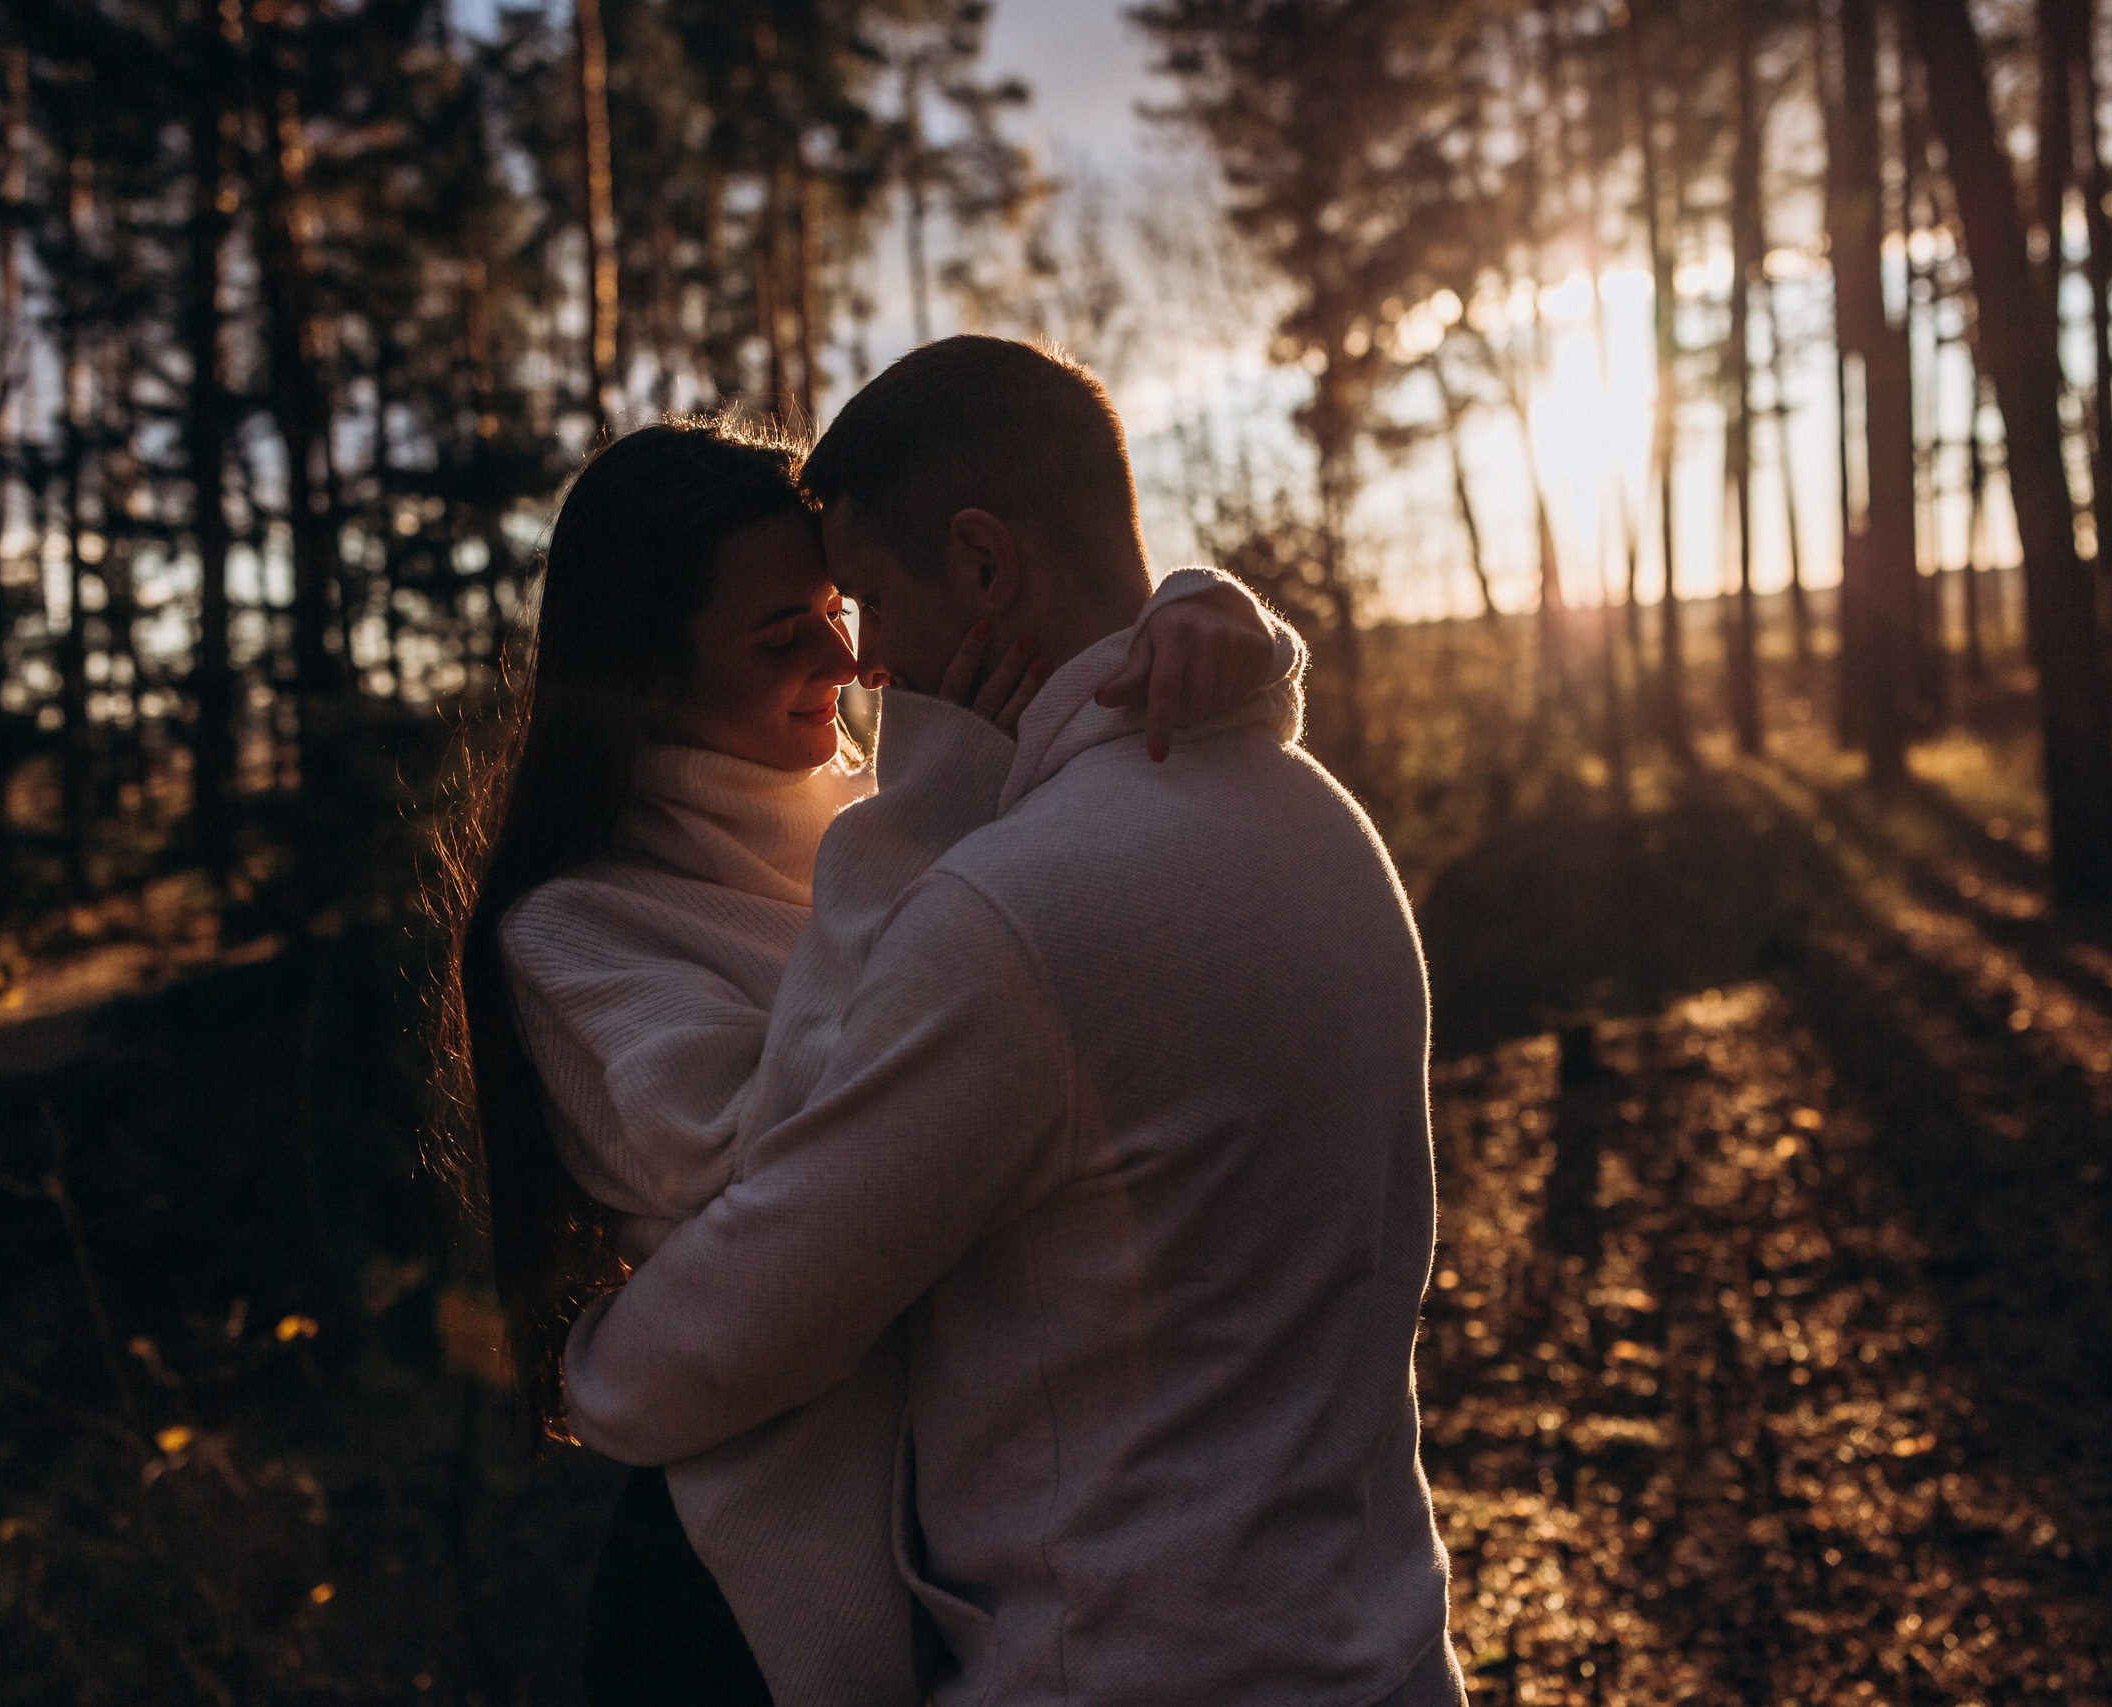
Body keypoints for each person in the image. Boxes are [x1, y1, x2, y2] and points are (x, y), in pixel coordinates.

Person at [563, 338, 1465, 1706]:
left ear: (984, 567)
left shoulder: (1006, 917)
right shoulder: (1321, 820)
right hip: (1385, 1653)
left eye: (864, 599)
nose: (862, 666)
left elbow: (751, 1318)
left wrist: (592, 1370)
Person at [427, 411, 1296, 1705]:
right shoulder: (578, 926)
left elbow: (1134, 875)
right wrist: (926, 823)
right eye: (782, 637)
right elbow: (784, 1177)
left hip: (998, 1561)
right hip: (750, 1608)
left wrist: (1207, 629)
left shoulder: (884, 811)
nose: (847, 655)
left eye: (839, 605)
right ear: (646, 679)